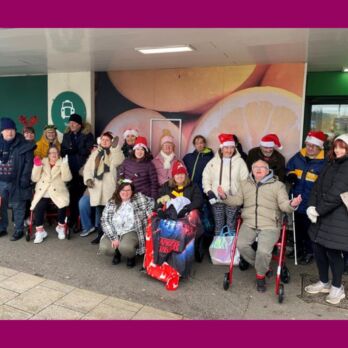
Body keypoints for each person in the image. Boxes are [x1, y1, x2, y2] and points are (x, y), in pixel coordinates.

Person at [223, 159, 302, 292]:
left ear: (268, 170)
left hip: (270, 224)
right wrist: (224, 196)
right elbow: (237, 201)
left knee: (263, 251)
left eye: (262, 167)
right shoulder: (245, 184)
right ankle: (264, 268)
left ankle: (260, 276)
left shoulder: (278, 185)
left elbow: (284, 205)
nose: (258, 170)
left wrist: (292, 204)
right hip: (249, 222)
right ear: (252, 170)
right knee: (241, 245)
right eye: (255, 167)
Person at [304, 134, 348, 305]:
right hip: (322, 214)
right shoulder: (332, 162)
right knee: (318, 248)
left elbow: (337, 194)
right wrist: (311, 206)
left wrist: (318, 211)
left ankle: (337, 288)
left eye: (342, 147)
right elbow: (317, 186)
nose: (338, 150)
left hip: (338, 217)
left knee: (333, 251)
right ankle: (324, 282)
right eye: (336, 146)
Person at [286, 130, 327, 265]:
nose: (309, 148)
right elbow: (289, 168)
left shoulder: (324, 161)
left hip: (311, 202)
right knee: (297, 228)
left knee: (309, 230)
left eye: (313, 146)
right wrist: (291, 174)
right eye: (308, 145)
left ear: (320, 147)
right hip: (296, 199)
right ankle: (298, 250)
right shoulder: (298, 156)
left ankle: (309, 252)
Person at [100, 179, 154, 268]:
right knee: (105, 248)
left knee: (126, 247)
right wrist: (113, 238)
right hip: (115, 230)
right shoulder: (111, 202)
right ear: (118, 191)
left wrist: (149, 213)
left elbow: (151, 202)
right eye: (123, 190)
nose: (125, 192)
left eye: (128, 190)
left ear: (132, 191)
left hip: (131, 230)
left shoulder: (139, 198)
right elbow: (105, 220)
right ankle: (117, 253)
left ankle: (130, 256)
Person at [202, 133, 249, 235]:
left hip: (233, 199)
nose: (229, 150)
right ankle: (219, 249)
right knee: (219, 225)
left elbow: (245, 181)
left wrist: (240, 196)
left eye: (232, 147)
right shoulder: (213, 162)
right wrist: (209, 191)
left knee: (231, 225)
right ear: (221, 149)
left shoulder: (240, 162)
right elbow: (206, 178)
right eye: (226, 147)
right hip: (217, 199)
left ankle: (230, 249)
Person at [83, 131, 124, 244]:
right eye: (103, 139)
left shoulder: (115, 152)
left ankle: (111, 236)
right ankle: (100, 235)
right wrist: (88, 179)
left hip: (109, 188)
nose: (105, 142)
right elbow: (88, 168)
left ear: (111, 142)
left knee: (110, 214)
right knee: (100, 214)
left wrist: (115, 148)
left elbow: (118, 161)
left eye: (107, 140)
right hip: (96, 188)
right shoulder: (95, 153)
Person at [0, 117, 35, 241]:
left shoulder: (24, 144)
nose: (10, 132)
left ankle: (19, 230)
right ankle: (2, 228)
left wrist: (24, 179)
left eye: (12, 129)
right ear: (1, 132)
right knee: (1, 206)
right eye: (7, 130)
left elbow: (28, 163)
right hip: (1, 181)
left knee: (18, 205)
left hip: (17, 180)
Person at [30, 146, 72, 243]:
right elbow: (34, 179)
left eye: (55, 152)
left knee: (62, 204)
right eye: (51, 152)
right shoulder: (43, 162)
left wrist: (65, 166)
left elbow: (67, 179)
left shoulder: (62, 162)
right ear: (48, 155)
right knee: (39, 206)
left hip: (58, 190)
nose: (53, 154)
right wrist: (37, 166)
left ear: (58, 154)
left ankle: (60, 227)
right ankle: (40, 231)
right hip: (44, 190)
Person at [61, 114, 94, 231]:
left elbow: (89, 151)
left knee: (82, 196)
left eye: (74, 123)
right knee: (72, 195)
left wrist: (76, 150)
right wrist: (71, 150)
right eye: (70, 123)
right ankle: (73, 219)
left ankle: (83, 221)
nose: (71, 125)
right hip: (70, 170)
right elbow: (63, 150)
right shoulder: (67, 135)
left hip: (83, 170)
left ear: (80, 125)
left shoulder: (87, 135)